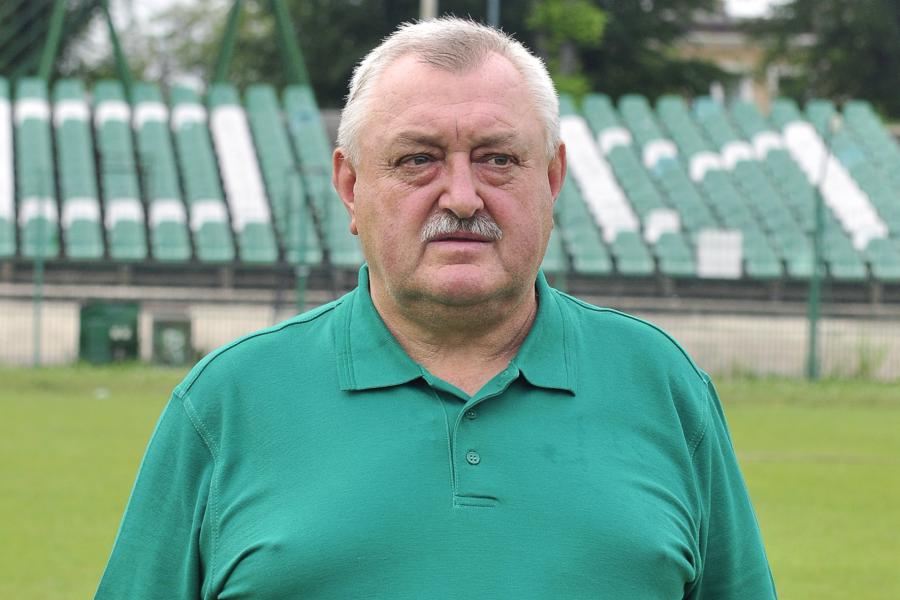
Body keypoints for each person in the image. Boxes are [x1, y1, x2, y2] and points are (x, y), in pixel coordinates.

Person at [96, 17, 777, 599]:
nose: (462, 197)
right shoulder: (227, 403)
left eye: (498, 159)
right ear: (350, 186)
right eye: (417, 159)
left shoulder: (662, 386)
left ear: (552, 179)